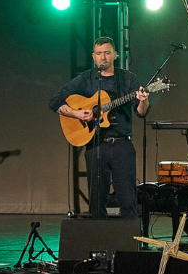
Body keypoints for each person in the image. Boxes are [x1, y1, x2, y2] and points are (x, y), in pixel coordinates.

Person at [49, 37, 149, 219]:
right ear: (94, 57)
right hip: (95, 145)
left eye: (107, 53)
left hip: (121, 145)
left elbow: (141, 112)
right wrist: (77, 114)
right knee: (96, 201)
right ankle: (99, 244)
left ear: (115, 55)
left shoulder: (127, 78)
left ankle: (129, 241)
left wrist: (144, 100)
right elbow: (55, 101)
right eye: (99, 53)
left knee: (127, 199)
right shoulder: (86, 79)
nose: (103, 57)